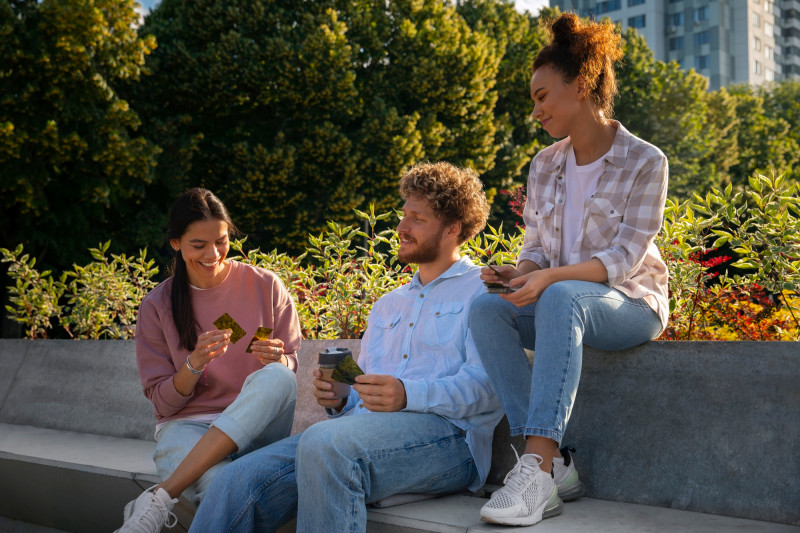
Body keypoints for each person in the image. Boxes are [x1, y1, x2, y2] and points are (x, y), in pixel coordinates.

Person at [187, 161, 504, 532]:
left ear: (453, 229)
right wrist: (340, 399)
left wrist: (408, 395)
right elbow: (363, 394)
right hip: (360, 434)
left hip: (450, 441)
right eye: (404, 215)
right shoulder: (389, 303)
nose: (401, 228)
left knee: (325, 445)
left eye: (417, 218)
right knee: (235, 479)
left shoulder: (481, 293)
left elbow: (489, 390)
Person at [469, 12, 669, 527]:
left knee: (560, 297)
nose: (535, 109)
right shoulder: (545, 163)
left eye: (541, 96)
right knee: (486, 310)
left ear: (580, 87)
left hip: (630, 303)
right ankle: (552, 466)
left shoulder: (646, 161)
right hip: (564, 303)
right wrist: (518, 275)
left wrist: (548, 280)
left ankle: (536, 470)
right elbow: (536, 245)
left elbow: (623, 260)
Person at [116, 188, 302, 533]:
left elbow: (291, 367)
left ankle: (160, 496)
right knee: (224, 489)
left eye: (221, 240)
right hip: (188, 428)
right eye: (198, 245)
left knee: (279, 377)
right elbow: (163, 404)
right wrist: (194, 363)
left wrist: (281, 359)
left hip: (260, 428)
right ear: (176, 244)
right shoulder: (157, 306)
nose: (213, 254)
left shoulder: (266, 286)